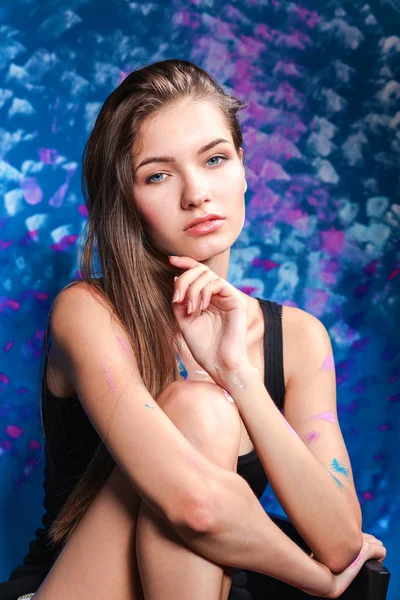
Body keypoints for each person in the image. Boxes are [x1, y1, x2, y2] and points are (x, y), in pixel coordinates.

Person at [0, 58, 386, 600]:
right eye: (158, 175)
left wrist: (237, 375)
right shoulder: (87, 312)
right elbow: (196, 507)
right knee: (200, 406)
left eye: (215, 159)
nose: (196, 193)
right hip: (67, 590)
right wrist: (315, 577)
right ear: (126, 202)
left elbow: (342, 541)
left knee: (213, 397)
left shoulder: (298, 339)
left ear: (244, 167)